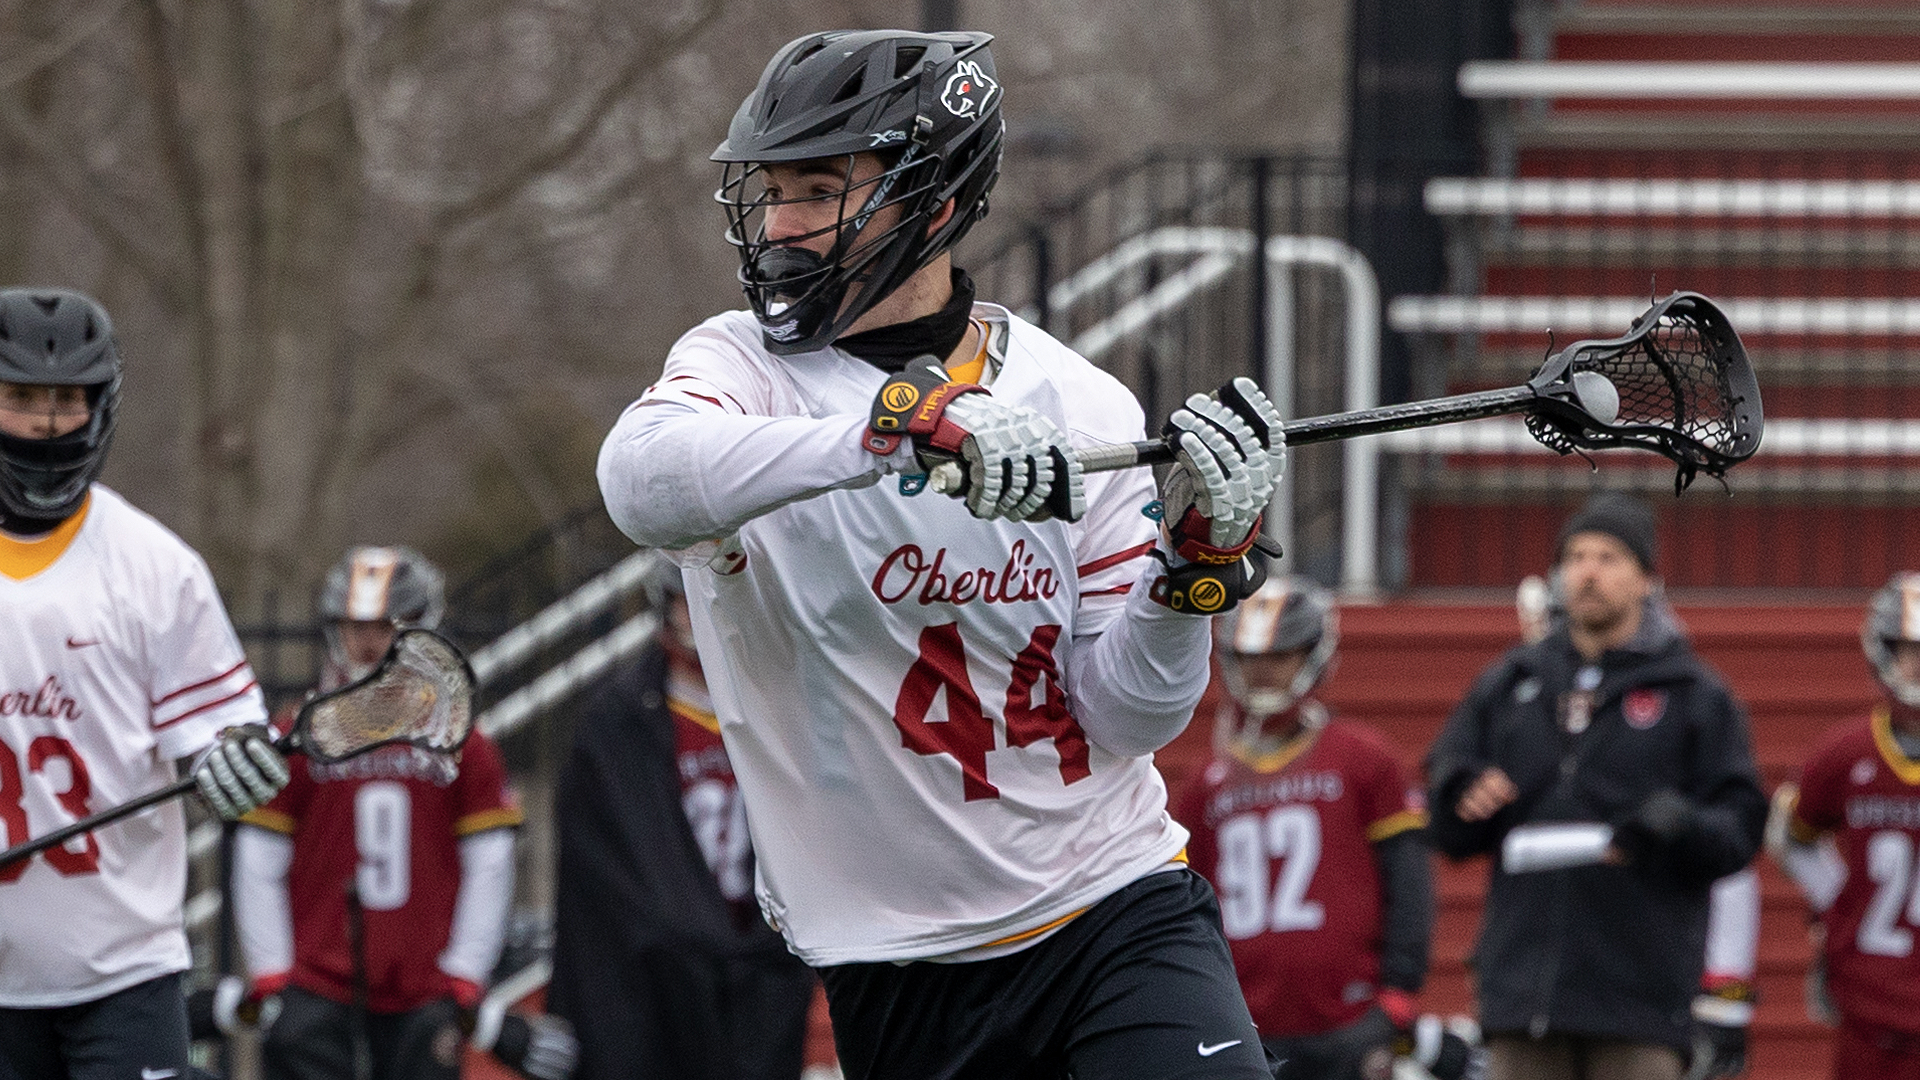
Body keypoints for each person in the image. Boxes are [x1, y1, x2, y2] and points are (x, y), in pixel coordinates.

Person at [596, 29, 1289, 1080]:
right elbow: (638, 481)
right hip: (896, 962)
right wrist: (900, 419)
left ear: (932, 196)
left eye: (819, 188)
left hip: (1110, 906)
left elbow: (1126, 716)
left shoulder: (1079, 401)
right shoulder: (738, 367)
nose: (780, 225)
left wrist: (1188, 581)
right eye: (771, 191)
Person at [0, 287, 288, 1080]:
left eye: (67, 399)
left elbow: (223, 741)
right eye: (21, 398)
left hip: (124, 976)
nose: (47, 423)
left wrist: (234, 766)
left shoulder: (156, 569)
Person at [1425, 492, 1766, 1080]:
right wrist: (1463, 790)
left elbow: (1739, 830)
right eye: (1576, 556)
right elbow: (1446, 816)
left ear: (1647, 579)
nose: (1587, 572)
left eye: (1608, 557)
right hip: (1523, 997)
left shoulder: (1692, 694)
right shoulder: (1512, 684)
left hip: (1639, 1004)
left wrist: (1679, 821)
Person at [230, 545, 524, 1080]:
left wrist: (463, 972)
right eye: (354, 626)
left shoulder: (465, 742)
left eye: (387, 626)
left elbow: (491, 864)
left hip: (423, 990)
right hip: (318, 986)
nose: (368, 642)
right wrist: (275, 974)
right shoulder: (296, 734)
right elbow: (258, 860)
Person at [1174, 576, 1478, 1080]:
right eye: (1250, 659)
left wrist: (1397, 994)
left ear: (1314, 655)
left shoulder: (1363, 758)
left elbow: (1408, 882)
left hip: (1349, 1017)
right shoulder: (1205, 781)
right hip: (1245, 1022)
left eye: (1280, 656)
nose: (1263, 672)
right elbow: (1190, 907)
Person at [549, 565, 816, 1079]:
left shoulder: (777, 702)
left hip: (761, 969)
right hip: (660, 981)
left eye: (710, 600)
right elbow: (602, 872)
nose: (699, 617)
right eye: (685, 601)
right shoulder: (618, 717)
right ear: (664, 607)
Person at [1513, 575, 1760, 1080]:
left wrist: (1724, 994)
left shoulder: (1672, 705)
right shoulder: (1520, 711)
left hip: (1640, 982)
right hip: (1548, 979)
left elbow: (1726, 848)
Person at [1768, 571, 1920, 1080]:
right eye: (1908, 650)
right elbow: (1790, 837)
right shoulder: (1844, 753)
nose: (1918, 665)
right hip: (1869, 1002)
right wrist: (1839, 901)